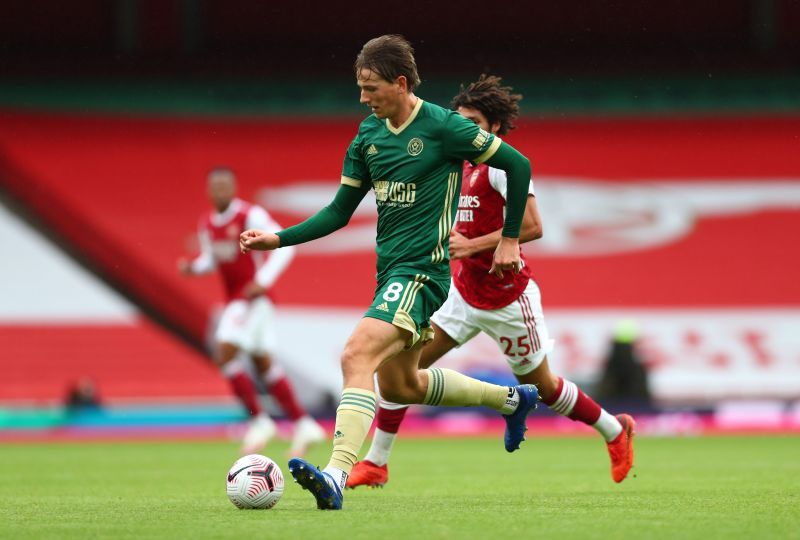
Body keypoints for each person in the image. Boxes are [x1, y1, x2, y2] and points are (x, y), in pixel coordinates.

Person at [240, 35, 538, 511]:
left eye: (371, 87)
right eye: (359, 87)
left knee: (356, 354)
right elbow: (339, 212)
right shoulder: (367, 136)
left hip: (423, 274)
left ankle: (336, 474)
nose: (363, 97)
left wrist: (507, 238)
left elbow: (517, 164)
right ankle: (511, 400)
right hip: (391, 274)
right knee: (403, 385)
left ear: (400, 83)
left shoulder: (444, 128)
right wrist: (279, 238)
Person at [346, 75, 636, 489]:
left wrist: (477, 245)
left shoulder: (501, 167)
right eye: (460, 120)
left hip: (508, 299)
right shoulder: (457, 165)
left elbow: (534, 227)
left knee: (545, 387)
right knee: (402, 368)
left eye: (475, 122)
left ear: (494, 127)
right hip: (462, 295)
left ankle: (614, 429)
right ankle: (376, 461)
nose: (466, 129)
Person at [179, 167, 325, 456]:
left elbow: (285, 246)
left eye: (225, 185)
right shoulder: (207, 223)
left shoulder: (250, 215)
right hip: (240, 299)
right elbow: (213, 258)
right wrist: (193, 268)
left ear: (233, 188)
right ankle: (303, 423)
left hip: (250, 299)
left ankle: (260, 421)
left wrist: (262, 281)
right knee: (263, 364)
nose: (220, 191)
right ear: (209, 191)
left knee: (224, 353)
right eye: (215, 186)